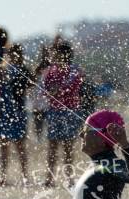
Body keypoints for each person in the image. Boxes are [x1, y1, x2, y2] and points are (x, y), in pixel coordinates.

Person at [0, 44, 35, 186]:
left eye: (16, 53)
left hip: (18, 111)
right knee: (4, 144)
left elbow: (30, 84)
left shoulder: (23, 70)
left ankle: (25, 177)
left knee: (20, 145)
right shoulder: (2, 70)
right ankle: (3, 177)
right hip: (3, 111)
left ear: (20, 55)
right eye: (10, 54)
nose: (13, 56)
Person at [42, 41, 84, 188]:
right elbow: (46, 90)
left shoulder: (74, 70)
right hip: (54, 111)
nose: (54, 56)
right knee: (52, 146)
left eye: (57, 53)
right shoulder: (51, 70)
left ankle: (69, 178)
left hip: (70, 111)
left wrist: (56, 90)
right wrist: (54, 91)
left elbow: (72, 87)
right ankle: (49, 178)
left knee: (68, 147)